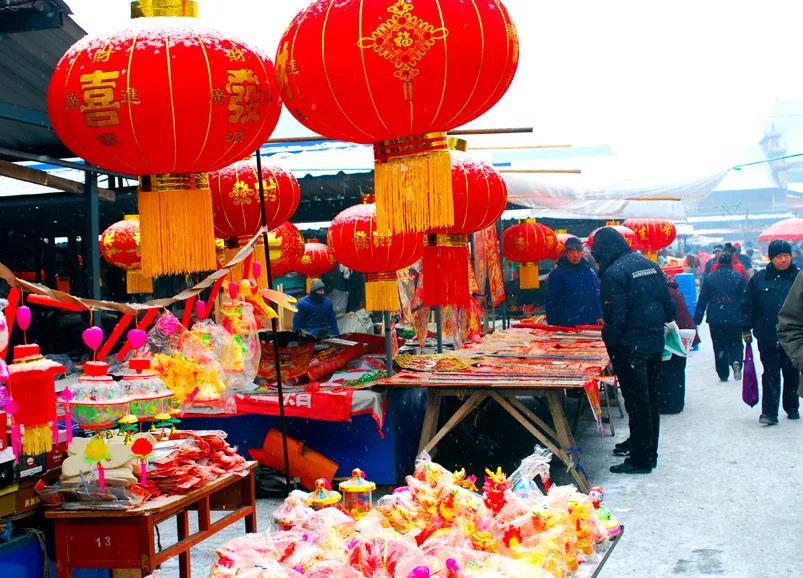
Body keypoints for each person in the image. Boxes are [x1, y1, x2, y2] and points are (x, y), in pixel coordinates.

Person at [591, 227, 675, 475]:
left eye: (597, 257)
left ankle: (640, 459)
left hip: (630, 348)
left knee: (637, 404)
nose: (596, 262)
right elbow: (668, 309)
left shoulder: (614, 274)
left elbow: (616, 319)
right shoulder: (650, 266)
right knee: (650, 401)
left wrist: (610, 345)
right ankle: (649, 453)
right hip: (654, 343)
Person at [742, 240, 800, 425]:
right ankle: (769, 412)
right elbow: (748, 305)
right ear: (771, 258)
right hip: (767, 334)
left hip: (793, 337)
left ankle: (792, 406)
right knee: (770, 372)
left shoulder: (798, 278)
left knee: (791, 372)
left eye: (786, 256)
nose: (783, 260)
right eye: (779, 256)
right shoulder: (759, 280)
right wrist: (746, 328)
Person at [694, 253, 747, 381]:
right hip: (734, 316)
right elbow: (745, 300)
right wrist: (746, 317)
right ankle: (736, 360)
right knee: (736, 342)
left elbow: (703, 299)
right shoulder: (738, 277)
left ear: (718, 262)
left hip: (715, 318)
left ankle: (723, 373)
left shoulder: (710, 278)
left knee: (719, 346)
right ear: (731, 262)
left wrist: (697, 319)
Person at [659, 274, 699, 414]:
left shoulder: (666, 293)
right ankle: (677, 402)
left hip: (672, 337)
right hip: (681, 335)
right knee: (678, 370)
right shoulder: (674, 291)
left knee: (669, 371)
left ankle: (670, 404)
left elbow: (669, 315)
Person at [544, 237, 603, 327]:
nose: (575, 255)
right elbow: (551, 301)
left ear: (582, 253)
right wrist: (553, 324)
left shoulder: (589, 271)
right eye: (571, 252)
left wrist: (599, 315)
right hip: (566, 323)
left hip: (589, 321)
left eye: (578, 251)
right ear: (566, 253)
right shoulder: (558, 274)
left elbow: (596, 294)